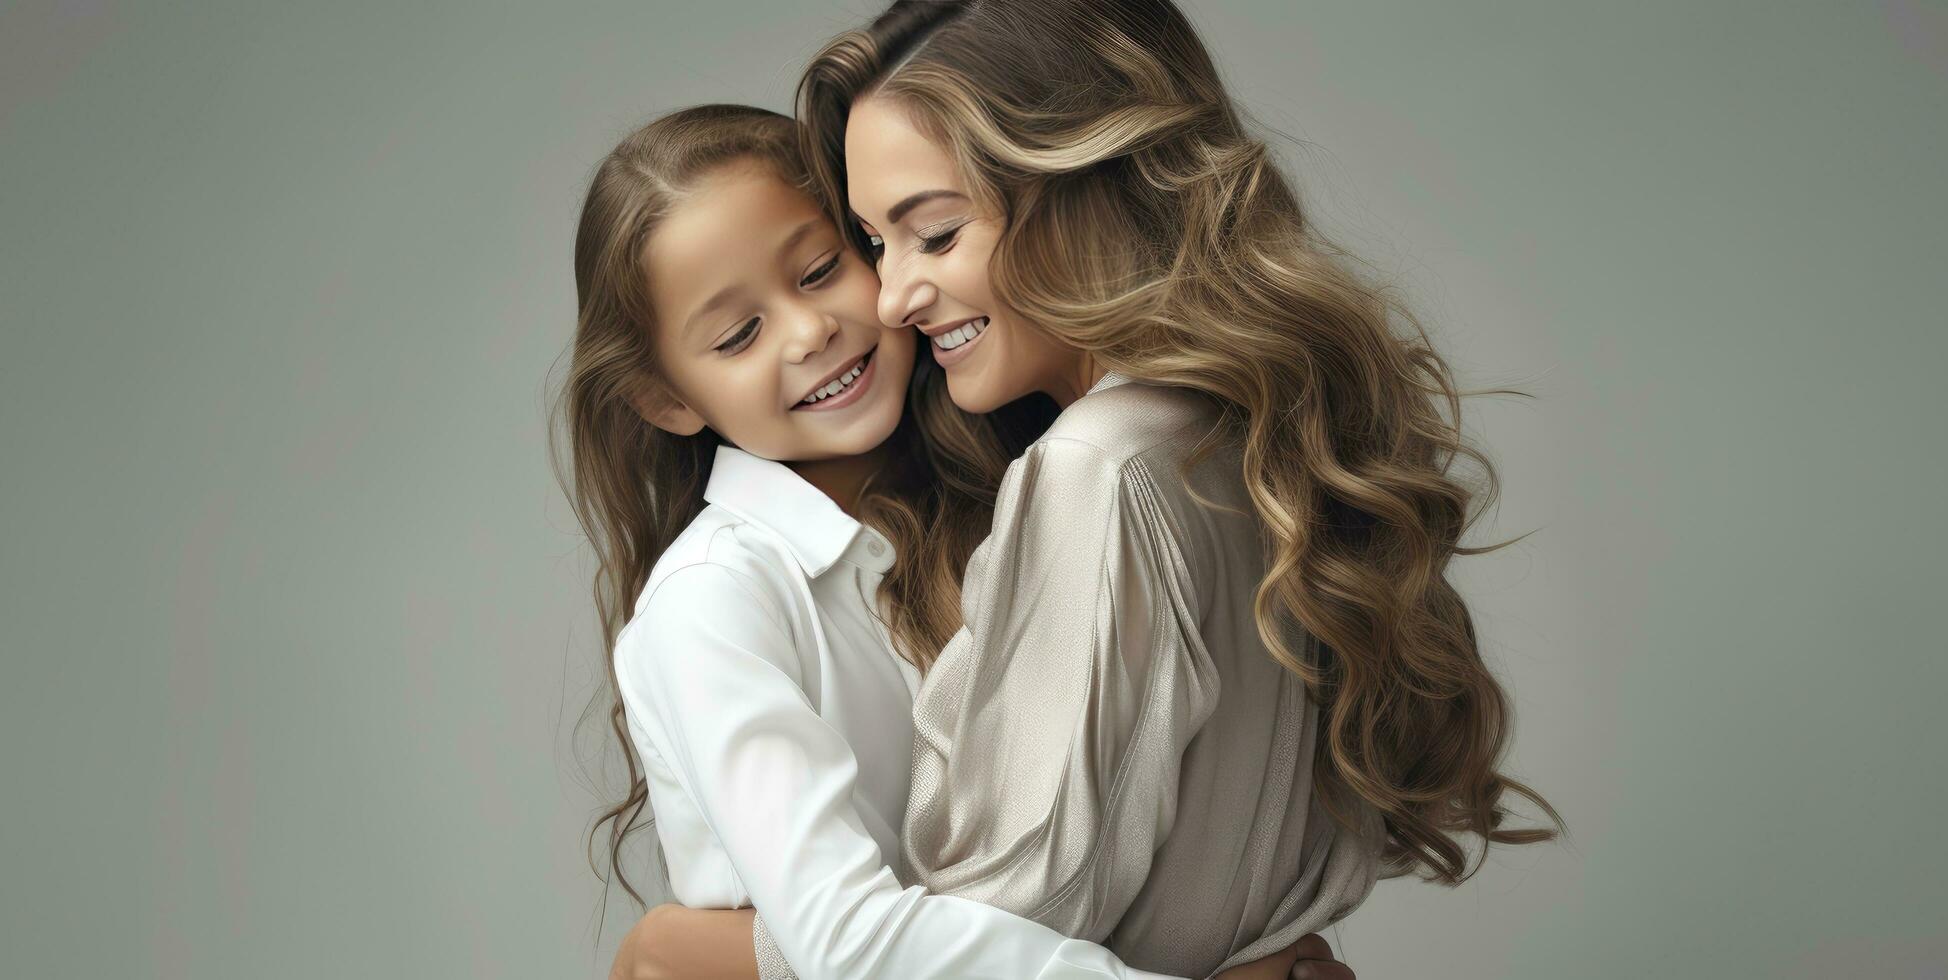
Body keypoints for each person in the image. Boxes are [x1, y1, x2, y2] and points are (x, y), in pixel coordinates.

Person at [633, 1, 1560, 976]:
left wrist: (701, 952)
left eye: (935, 235)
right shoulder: (1249, 428)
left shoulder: (1098, 471)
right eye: (871, 244)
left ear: (1081, 185)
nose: (892, 296)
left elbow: (1002, 923)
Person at [560, 104, 1352, 980]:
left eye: (823, 269)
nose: (808, 331)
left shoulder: (1039, 485)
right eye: (738, 335)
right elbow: (850, 943)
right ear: (666, 400)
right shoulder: (713, 601)